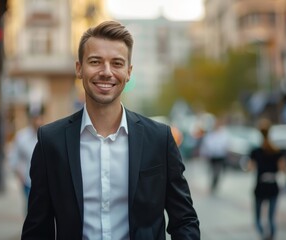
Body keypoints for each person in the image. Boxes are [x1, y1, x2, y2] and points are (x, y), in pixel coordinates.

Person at [21, 20, 200, 240]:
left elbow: (185, 221)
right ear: (79, 68)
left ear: (128, 72)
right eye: (95, 61)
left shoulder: (159, 139)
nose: (106, 72)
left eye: (117, 63)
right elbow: (37, 230)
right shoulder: (51, 141)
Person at [246, 118, 286, 240]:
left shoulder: (256, 151)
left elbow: (249, 168)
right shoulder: (277, 151)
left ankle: (263, 235)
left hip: (260, 186)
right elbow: (283, 168)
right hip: (273, 186)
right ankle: (271, 236)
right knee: (271, 218)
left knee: (258, 218)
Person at [9, 104, 45, 213]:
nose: (37, 121)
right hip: (27, 181)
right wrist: (19, 174)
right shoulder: (21, 136)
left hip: (44, 181)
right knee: (31, 208)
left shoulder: (47, 135)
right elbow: (13, 157)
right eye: (35, 118)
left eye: (39, 117)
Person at [199, 118, 229, 193]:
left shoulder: (223, 134)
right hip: (212, 156)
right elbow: (206, 144)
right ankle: (212, 183)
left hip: (220, 156)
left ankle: (215, 183)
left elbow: (226, 144)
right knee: (212, 170)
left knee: (217, 171)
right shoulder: (211, 134)